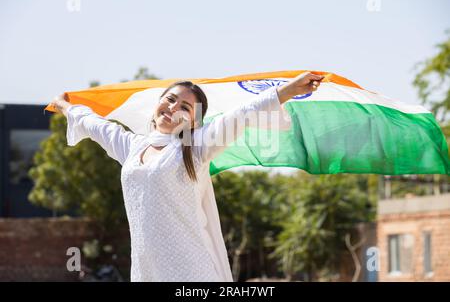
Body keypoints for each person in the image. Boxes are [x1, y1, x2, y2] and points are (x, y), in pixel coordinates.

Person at [51, 72, 324, 282]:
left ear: (194, 121)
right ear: (158, 103)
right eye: (170, 99)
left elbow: (242, 115)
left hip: (191, 273)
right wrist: (65, 107)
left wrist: (287, 90)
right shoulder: (132, 147)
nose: (173, 108)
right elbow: (95, 124)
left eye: (185, 106)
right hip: (147, 271)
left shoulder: (197, 147)